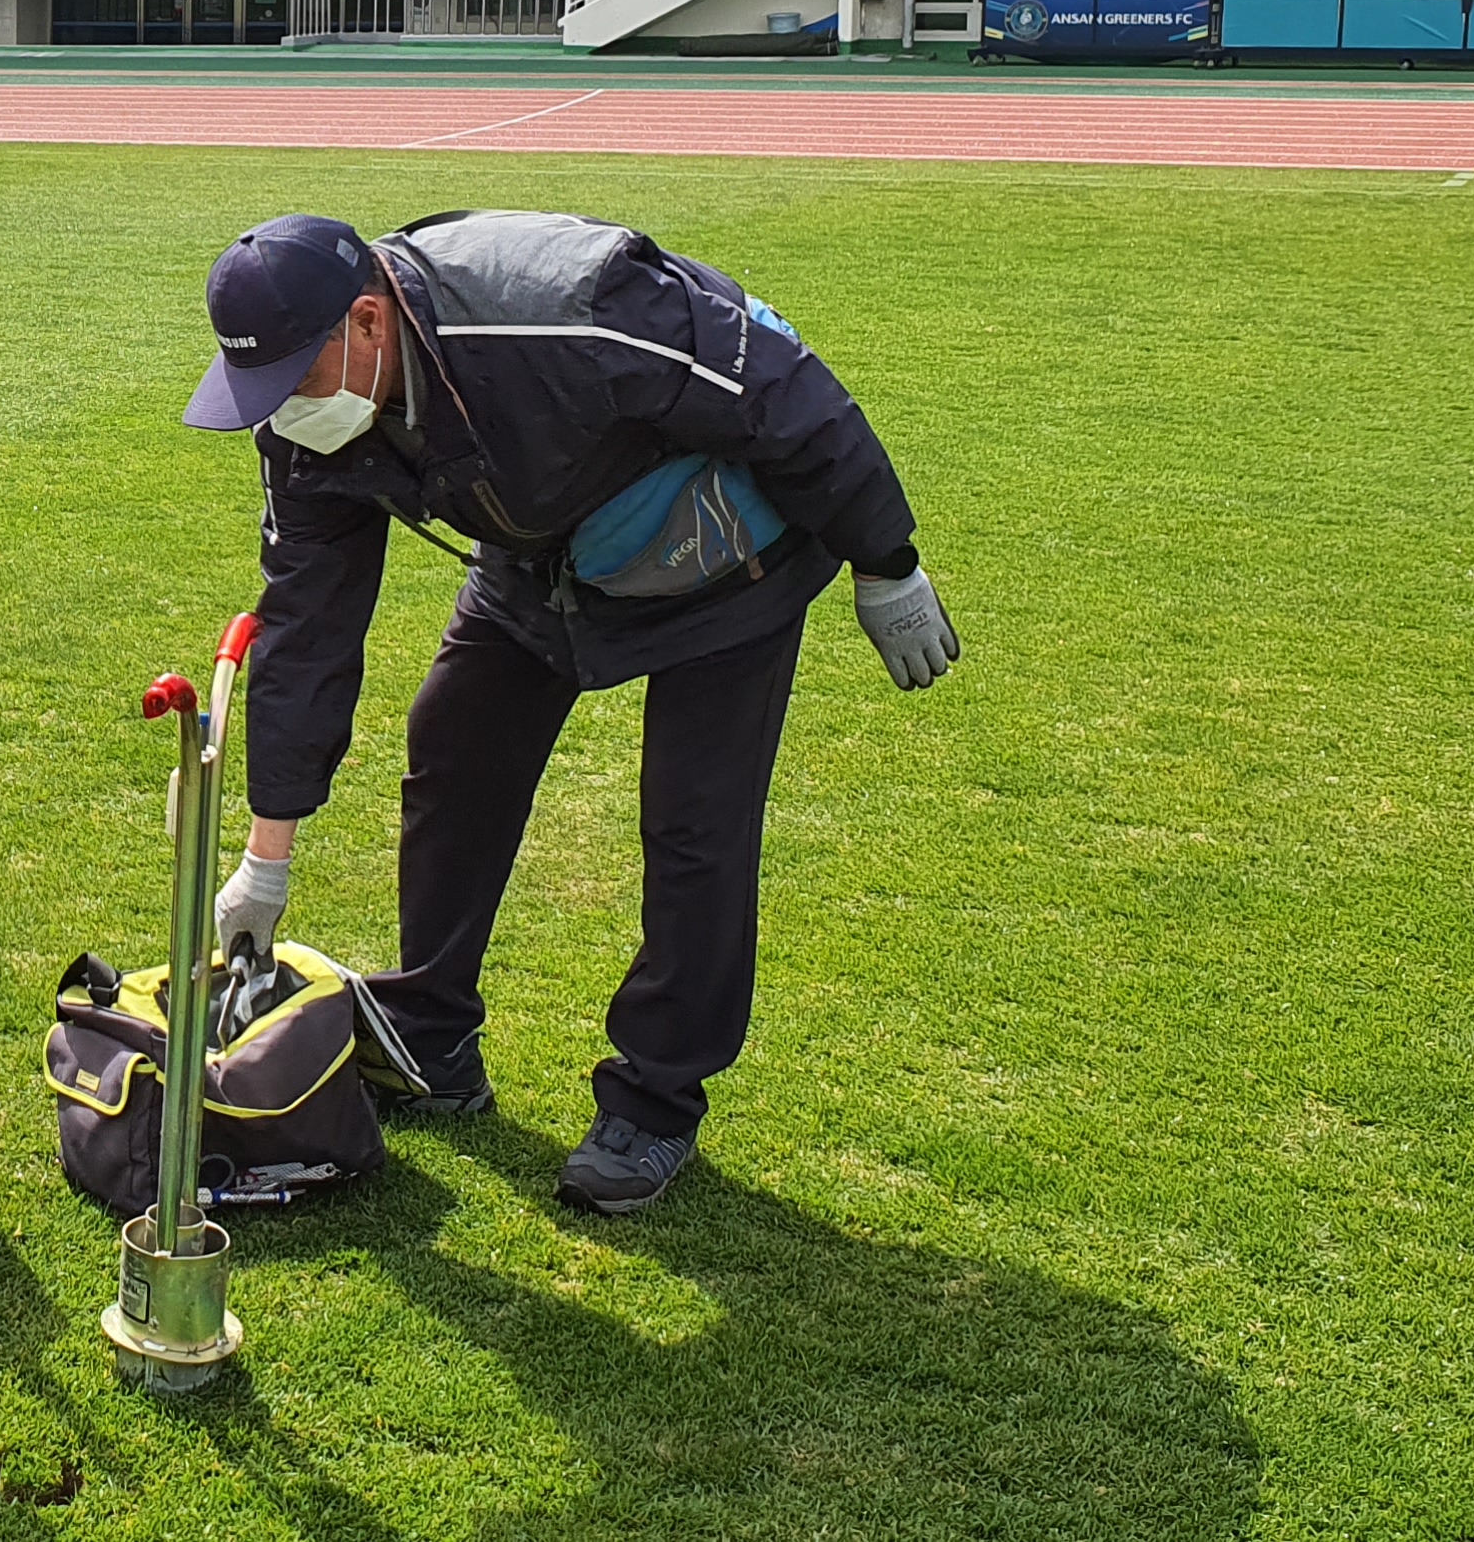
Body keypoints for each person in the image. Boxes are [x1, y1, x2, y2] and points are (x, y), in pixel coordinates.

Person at [184, 209, 959, 1216]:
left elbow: (773, 383)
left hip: (729, 557)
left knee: (695, 823)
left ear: (368, 321)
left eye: (294, 375)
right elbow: (304, 634)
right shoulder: (310, 424)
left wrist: (885, 559)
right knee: (455, 743)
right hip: (543, 554)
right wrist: (266, 860)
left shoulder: (565, 312)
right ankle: (434, 1031)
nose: (280, 409)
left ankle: (656, 1101)